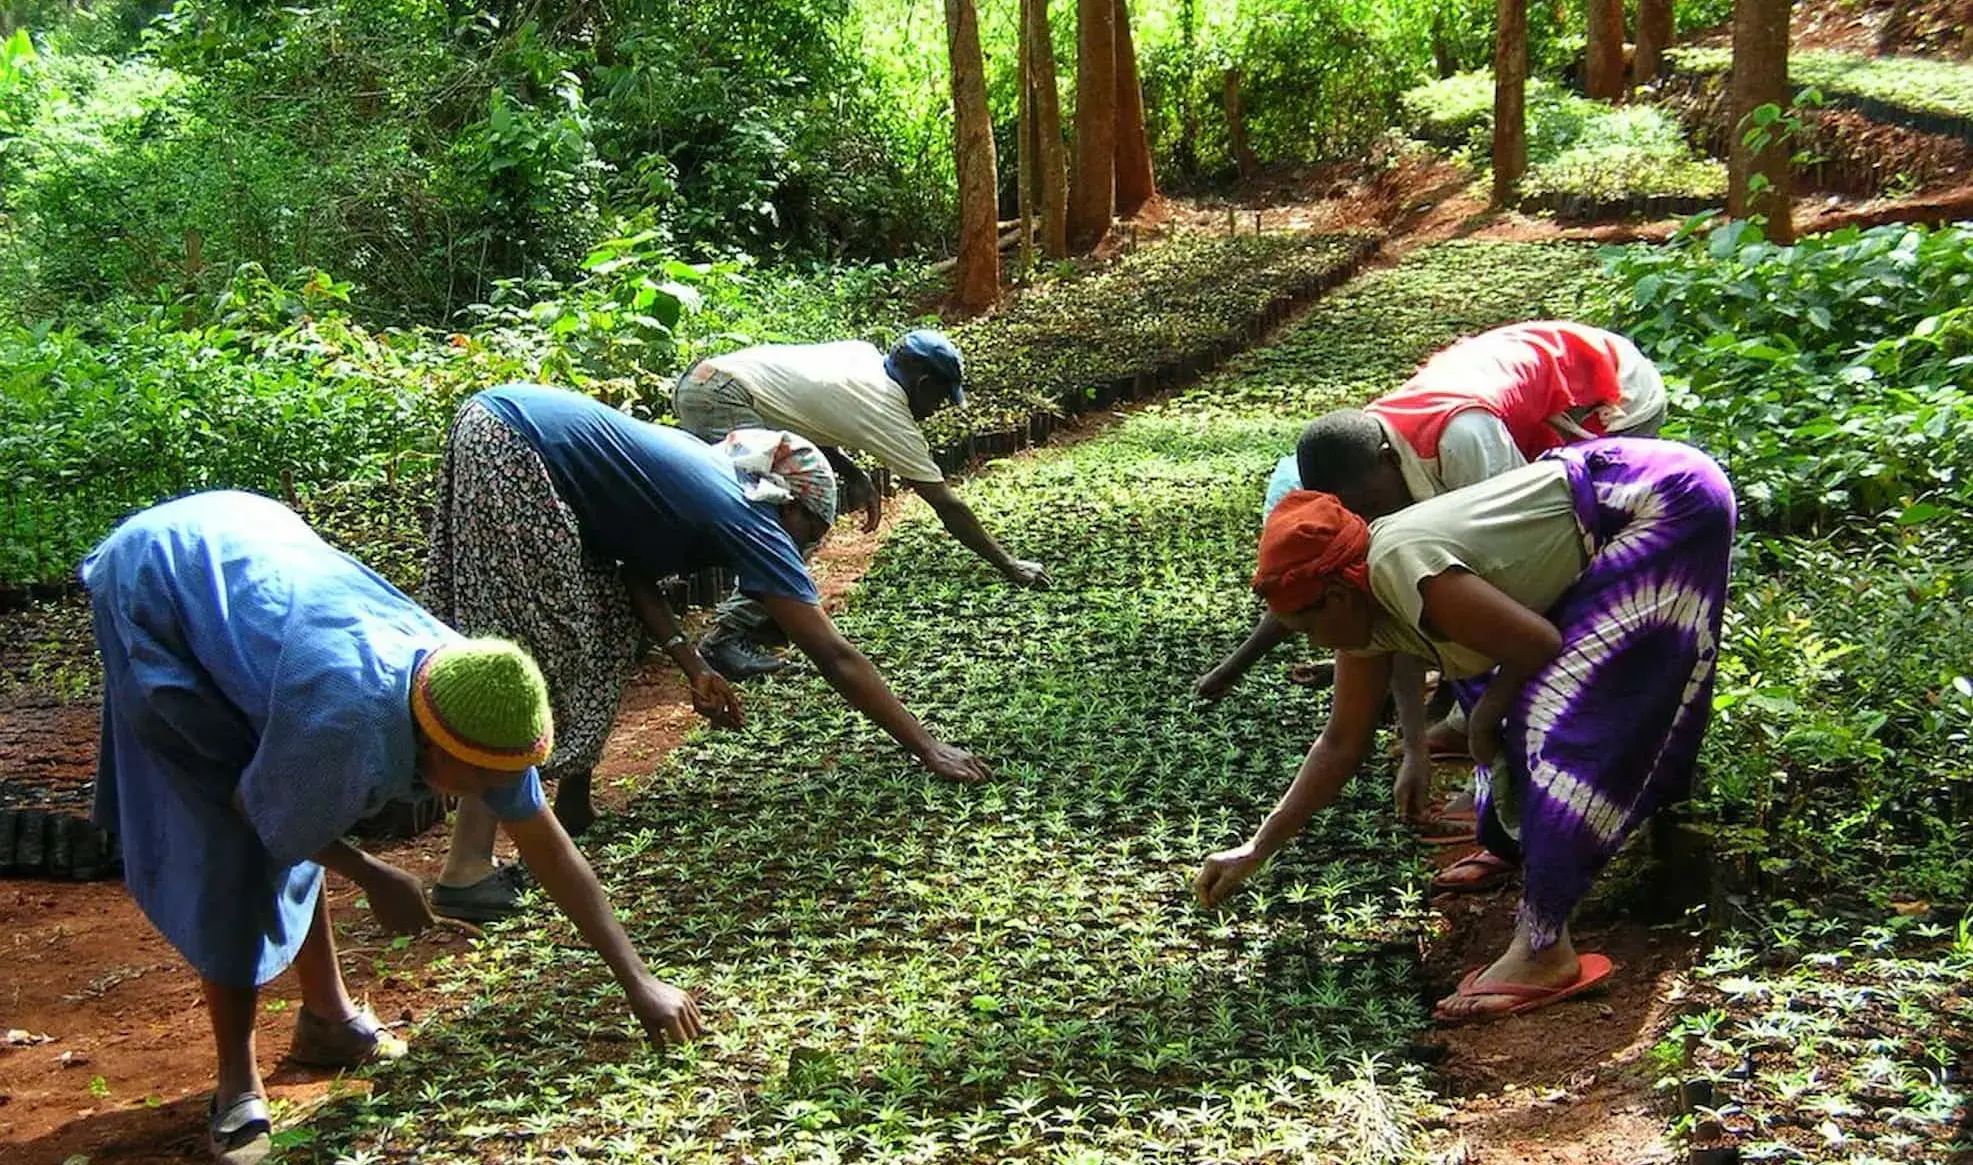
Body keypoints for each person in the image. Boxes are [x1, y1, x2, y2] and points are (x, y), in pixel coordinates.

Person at [83, 491, 702, 1165]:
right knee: (229, 842)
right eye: (480, 780)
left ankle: (328, 1020)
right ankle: (237, 1082)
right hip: (160, 578)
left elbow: (549, 846)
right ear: (434, 749)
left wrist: (638, 979)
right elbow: (253, 812)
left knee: (303, 800)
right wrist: (373, 874)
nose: (490, 795)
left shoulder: (478, 695)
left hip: (253, 545)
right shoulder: (346, 718)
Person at [1194, 438, 1734, 1023]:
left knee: (1557, 722)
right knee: (1501, 701)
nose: (1314, 643)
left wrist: (1485, 715)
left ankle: (1544, 946)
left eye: (1308, 625)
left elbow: (1536, 644)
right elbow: (1341, 741)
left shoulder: (1398, 566)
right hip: (1609, 508)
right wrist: (1259, 845)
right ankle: (1518, 846)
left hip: (1656, 502)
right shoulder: (1357, 606)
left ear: (1334, 593)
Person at [425, 384, 990, 922]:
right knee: (541, 649)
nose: (803, 546)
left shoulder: (707, 482)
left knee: (600, 626)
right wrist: (926, 746)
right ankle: (466, 871)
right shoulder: (743, 511)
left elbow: (632, 581)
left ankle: (572, 802)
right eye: (808, 530)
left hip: (504, 431)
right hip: (515, 447)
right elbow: (831, 652)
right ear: (790, 502)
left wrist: (695, 667)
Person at [1193, 321, 1668, 817]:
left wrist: (1487, 712)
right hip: (1524, 409)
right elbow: (1396, 618)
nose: (1376, 522)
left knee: (1542, 591)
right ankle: (1475, 734)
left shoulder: (1462, 440)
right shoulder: (1368, 461)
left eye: (1374, 504)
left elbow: (1525, 566)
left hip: (1614, 397)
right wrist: (1413, 739)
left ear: (1384, 462)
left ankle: (1527, 778)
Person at [673, 329, 1050, 680]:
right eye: (939, 397)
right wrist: (1009, 564)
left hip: (709, 382)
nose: (938, 408)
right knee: (781, 517)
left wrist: (851, 472)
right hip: (721, 399)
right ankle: (726, 639)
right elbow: (944, 503)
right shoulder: (887, 407)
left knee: (798, 509)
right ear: (922, 384)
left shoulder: (864, 357)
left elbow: (804, 410)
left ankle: (768, 618)